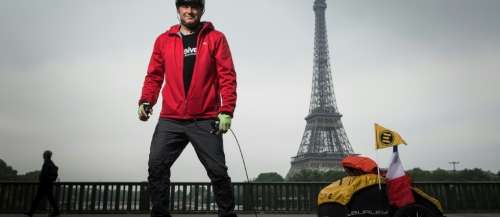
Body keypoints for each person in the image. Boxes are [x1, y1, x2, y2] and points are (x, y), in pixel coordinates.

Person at [137, 0, 237, 216]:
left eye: (194, 6)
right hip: (170, 119)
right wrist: (146, 101)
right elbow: (154, 76)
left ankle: (227, 214)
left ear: (201, 10)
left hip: (205, 118)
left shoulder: (216, 38)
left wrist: (226, 111)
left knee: (218, 171)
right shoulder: (163, 41)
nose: (189, 11)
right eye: (184, 6)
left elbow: (227, 76)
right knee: (156, 167)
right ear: (178, 9)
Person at [24, 150, 60, 217]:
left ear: (46, 155)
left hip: (45, 185)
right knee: (42, 198)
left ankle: (31, 212)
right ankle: (31, 212)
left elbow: (47, 174)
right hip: (45, 184)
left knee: (41, 199)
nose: (42, 155)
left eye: (44, 154)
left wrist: (44, 179)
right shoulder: (48, 163)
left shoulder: (48, 163)